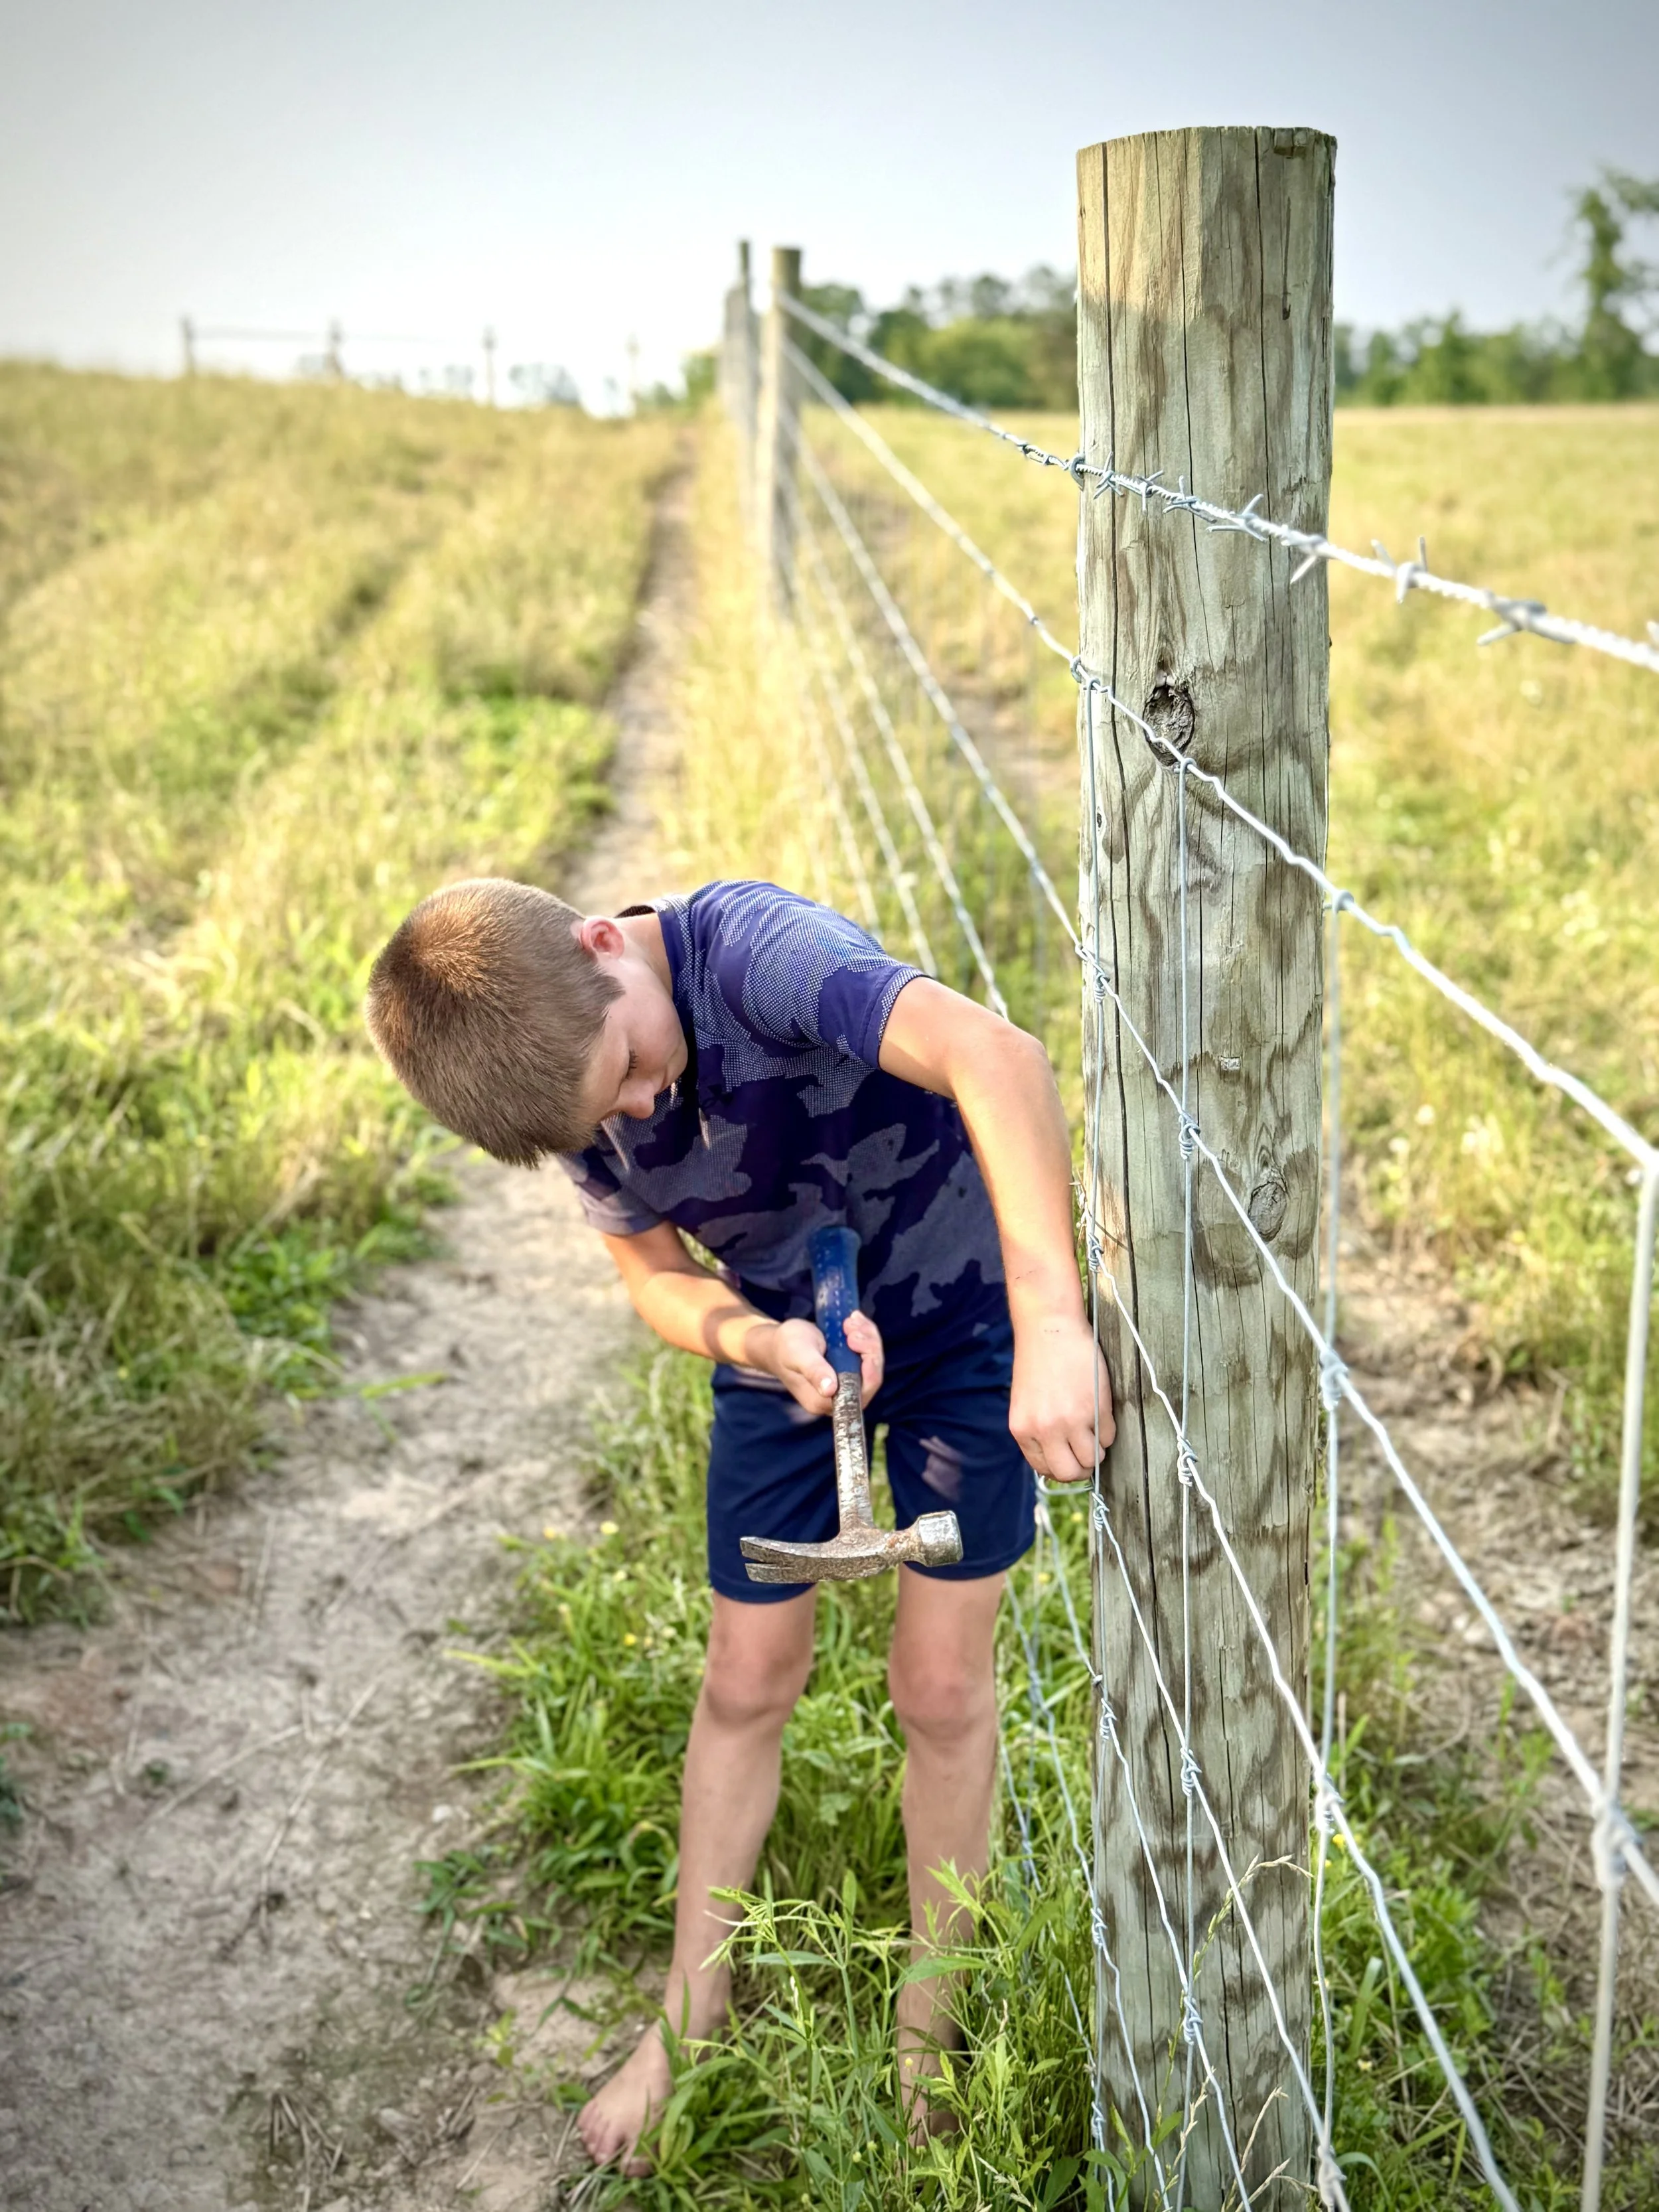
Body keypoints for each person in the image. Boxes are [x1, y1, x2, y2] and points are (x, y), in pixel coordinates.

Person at [365, 875, 1112, 2175]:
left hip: (968, 1319)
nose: (640, 1109)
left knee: (939, 1685)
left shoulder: (761, 957)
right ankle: (688, 2010)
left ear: (607, 947)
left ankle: (929, 2026)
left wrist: (1051, 1325)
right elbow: (654, 1277)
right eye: (608, 1114)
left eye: (636, 1072)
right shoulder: (573, 1074)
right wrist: (761, 1339)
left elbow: (996, 1055)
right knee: (744, 1675)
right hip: (782, 1342)